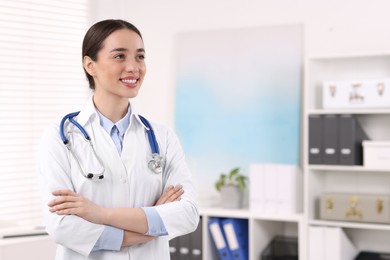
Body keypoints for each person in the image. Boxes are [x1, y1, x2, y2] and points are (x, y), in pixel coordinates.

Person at [38, 19, 199, 260]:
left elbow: (187, 214)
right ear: (90, 65)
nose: (134, 67)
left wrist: (99, 214)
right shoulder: (60, 138)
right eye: (120, 56)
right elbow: (62, 225)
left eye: (140, 56)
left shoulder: (161, 136)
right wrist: (151, 225)